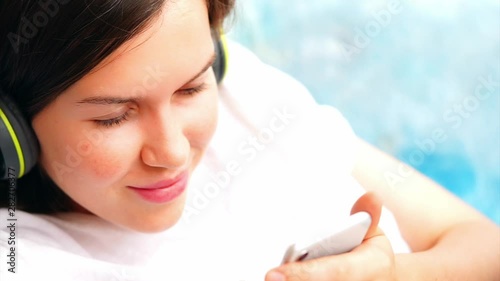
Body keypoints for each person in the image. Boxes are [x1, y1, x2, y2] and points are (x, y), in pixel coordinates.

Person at [0, 1, 498, 280]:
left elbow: (483, 245)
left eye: (191, 86)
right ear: (12, 129)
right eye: (113, 118)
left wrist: (397, 277)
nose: (173, 153)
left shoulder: (244, 94)